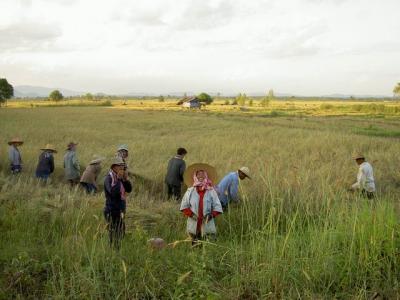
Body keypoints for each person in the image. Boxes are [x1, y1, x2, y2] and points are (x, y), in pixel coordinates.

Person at [180, 163, 223, 246]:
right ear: (195, 176)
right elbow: (184, 206)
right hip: (194, 222)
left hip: (207, 222)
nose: (201, 176)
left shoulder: (211, 191)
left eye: (203, 174)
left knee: (208, 245)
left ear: (206, 176)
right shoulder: (190, 191)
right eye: (198, 174)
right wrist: (192, 215)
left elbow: (217, 206)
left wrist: (211, 215)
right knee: (193, 245)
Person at [104, 157, 133, 249]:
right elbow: (112, 192)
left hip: (120, 209)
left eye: (123, 167)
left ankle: (116, 251)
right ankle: (113, 252)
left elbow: (129, 189)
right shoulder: (109, 178)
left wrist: (124, 180)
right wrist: (119, 179)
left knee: (121, 233)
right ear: (114, 167)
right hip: (111, 210)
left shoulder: (120, 178)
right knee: (114, 234)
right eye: (120, 167)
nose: (122, 169)